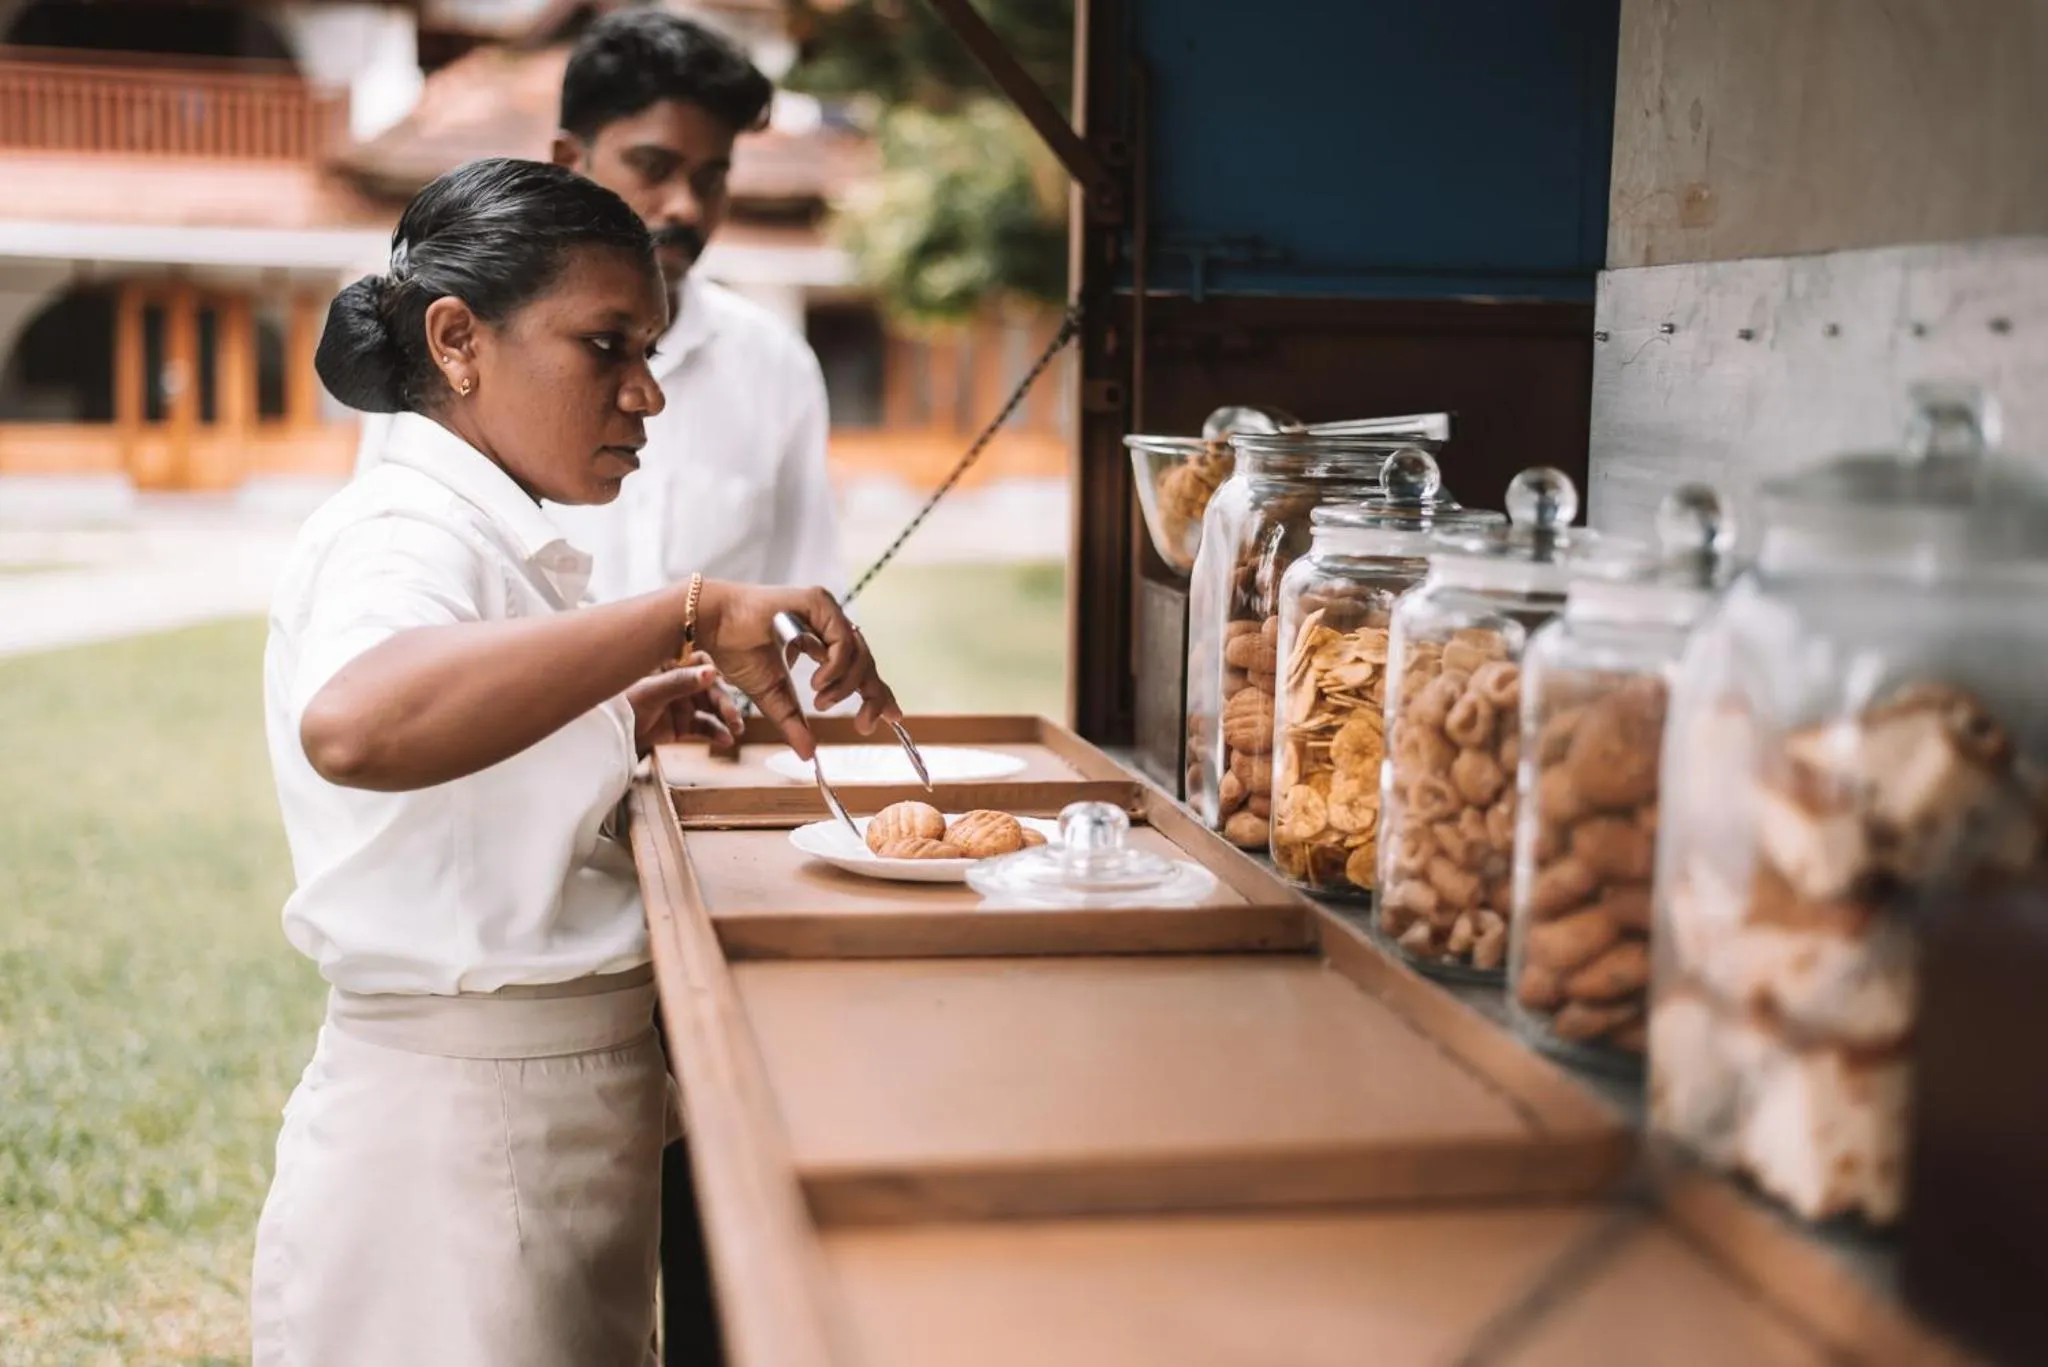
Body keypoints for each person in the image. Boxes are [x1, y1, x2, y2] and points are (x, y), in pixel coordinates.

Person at [251, 156, 897, 1366]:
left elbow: (462, 754)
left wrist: (611, 715)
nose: (645, 393)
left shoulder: (490, 532)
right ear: (458, 341)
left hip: (536, 1136)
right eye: (606, 346)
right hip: (458, 1158)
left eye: (648, 350)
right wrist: (681, 611)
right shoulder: (401, 528)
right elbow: (356, 723)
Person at [355, 10, 844, 608]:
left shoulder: (774, 366)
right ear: (569, 161)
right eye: (653, 167)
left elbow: (805, 596)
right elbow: (393, 581)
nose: (686, 207)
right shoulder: (471, 347)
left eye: (710, 179)